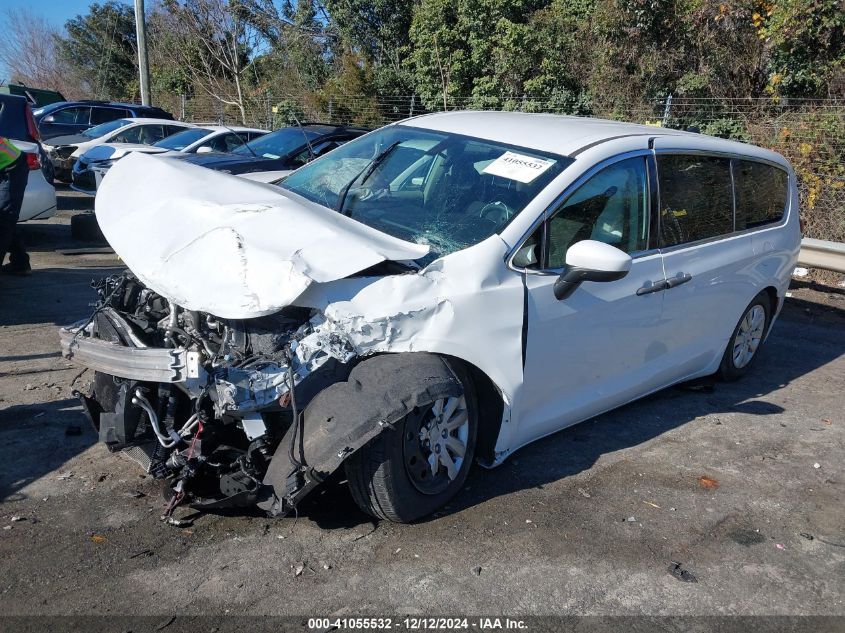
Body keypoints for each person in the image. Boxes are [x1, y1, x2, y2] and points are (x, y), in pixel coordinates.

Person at [0, 136, 31, 275]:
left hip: (13, 168)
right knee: (5, 218)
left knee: (4, 219)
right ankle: (21, 264)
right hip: (5, 165)